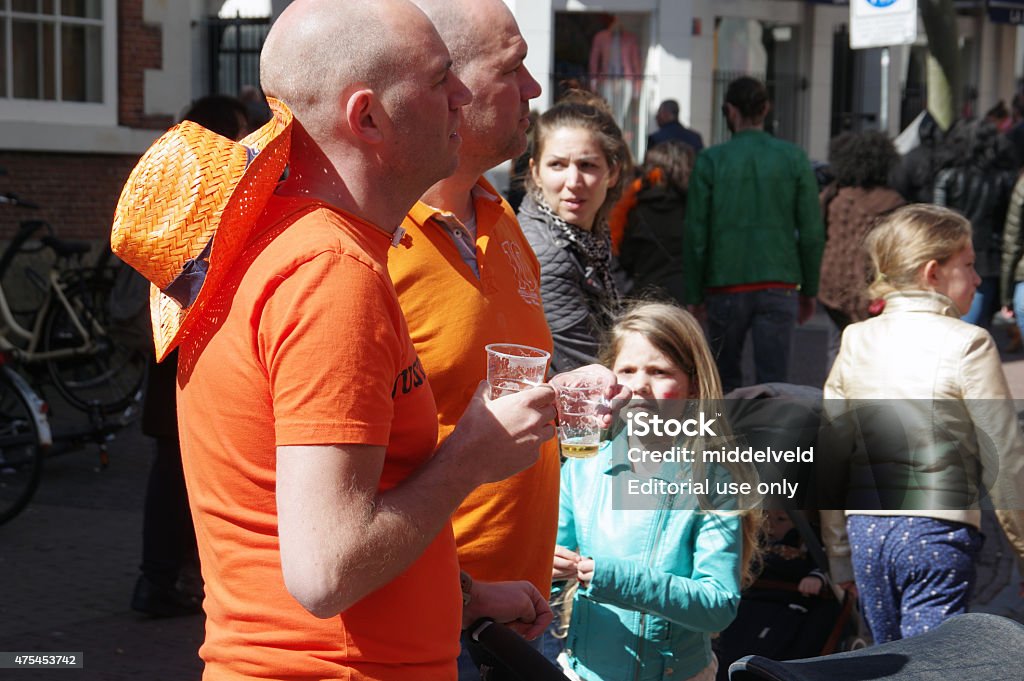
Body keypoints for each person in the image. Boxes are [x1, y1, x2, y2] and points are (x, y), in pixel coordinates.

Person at [112, 1, 559, 678]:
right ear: (368, 117)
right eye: (442, 80)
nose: (461, 97)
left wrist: (463, 597)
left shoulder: (281, 241)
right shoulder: (331, 274)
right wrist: (471, 454)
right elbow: (326, 571)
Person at [386, 3, 619, 679]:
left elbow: (480, 391)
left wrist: (560, 391)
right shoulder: (375, 238)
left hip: (519, 611)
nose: (535, 89)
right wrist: (466, 594)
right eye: (512, 67)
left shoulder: (502, 217)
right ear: (447, 84)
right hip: (437, 621)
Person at [821, 204, 1024, 643]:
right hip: (938, 528)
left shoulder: (856, 339)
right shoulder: (969, 343)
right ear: (933, 273)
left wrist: (839, 555)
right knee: (931, 659)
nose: (977, 279)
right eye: (967, 266)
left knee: (884, 658)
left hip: (867, 528)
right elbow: (1005, 457)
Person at [554, 302, 760, 681]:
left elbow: (718, 604)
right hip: (582, 673)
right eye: (627, 370)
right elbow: (552, 564)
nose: (639, 386)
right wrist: (547, 569)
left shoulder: (712, 479)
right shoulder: (584, 466)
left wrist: (611, 576)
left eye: (659, 371)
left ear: (694, 385)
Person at [130, 93, 250, 619]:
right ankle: (160, 580)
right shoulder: (212, 195)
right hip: (188, 351)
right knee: (179, 475)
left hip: (169, 349)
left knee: (172, 470)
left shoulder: (170, 184)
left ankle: (163, 577)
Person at [683, 76, 824, 392]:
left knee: (723, 379)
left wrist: (694, 294)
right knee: (773, 384)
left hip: (724, 283)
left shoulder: (711, 160)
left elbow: (696, 233)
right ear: (766, 109)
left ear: (730, 111)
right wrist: (809, 289)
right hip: (780, 280)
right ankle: (769, 441)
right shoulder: (794, 157)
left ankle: (723, 440)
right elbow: (813, 232)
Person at [519, 94, 631, 372]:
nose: (573, 182)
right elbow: (590, 369)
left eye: (587, 165)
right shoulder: (546, 254)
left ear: (612, 172)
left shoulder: (587, 237)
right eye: (557, 164)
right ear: (535, 172)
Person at [816, 130, 905, 366]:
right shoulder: (892, 202)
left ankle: (834, 395)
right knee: (874, 349)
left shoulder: (833, 196)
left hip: (831, 284)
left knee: (836, 346)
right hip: (871, 286)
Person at [933, 118, 1016, 331]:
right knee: (974, 315)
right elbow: (1007, 222)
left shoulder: (948, 176)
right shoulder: (1003, 179)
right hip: (988, 255)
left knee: (954, 315)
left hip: (950, 252)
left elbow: (937, 218)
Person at [618, 138, 695, 306]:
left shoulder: (634, 208)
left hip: (645, 298)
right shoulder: (694, 209)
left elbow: (624, 257)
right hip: (685, 299)